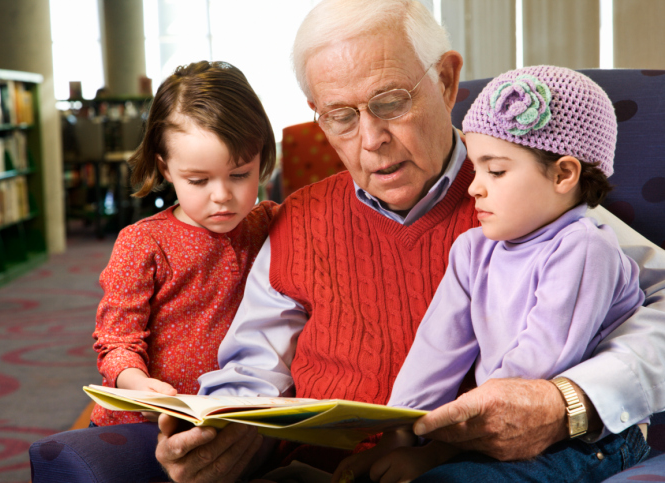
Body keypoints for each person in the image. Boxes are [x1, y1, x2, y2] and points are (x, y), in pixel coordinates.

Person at [155, 1, 665, 482]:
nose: (371, 137)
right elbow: (255, 361)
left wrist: (568, 402)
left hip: (474, 463)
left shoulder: (532, 196)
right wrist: (226, 427)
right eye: (341, 116)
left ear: (445, 81)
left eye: (390, 102)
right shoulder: (299, 219)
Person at [332, 65, 650, 483]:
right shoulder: (472, 249)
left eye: (495, 171)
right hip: (492, 427)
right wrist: (399, 436)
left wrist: (435, 454)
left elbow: (535, 368)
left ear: (563, 174)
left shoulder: (586, 248)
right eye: (476, 168)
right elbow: (435, 352)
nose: (474, 188)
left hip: (586, 441)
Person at [90, 60, 278, 427]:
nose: (222, 195)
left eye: (240, 174)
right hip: (146, 419)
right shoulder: (143, 242)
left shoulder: (268, 223)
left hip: (227, 418)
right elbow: (116, 340)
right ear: (165, 169)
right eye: (198, 180)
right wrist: (138, 383)